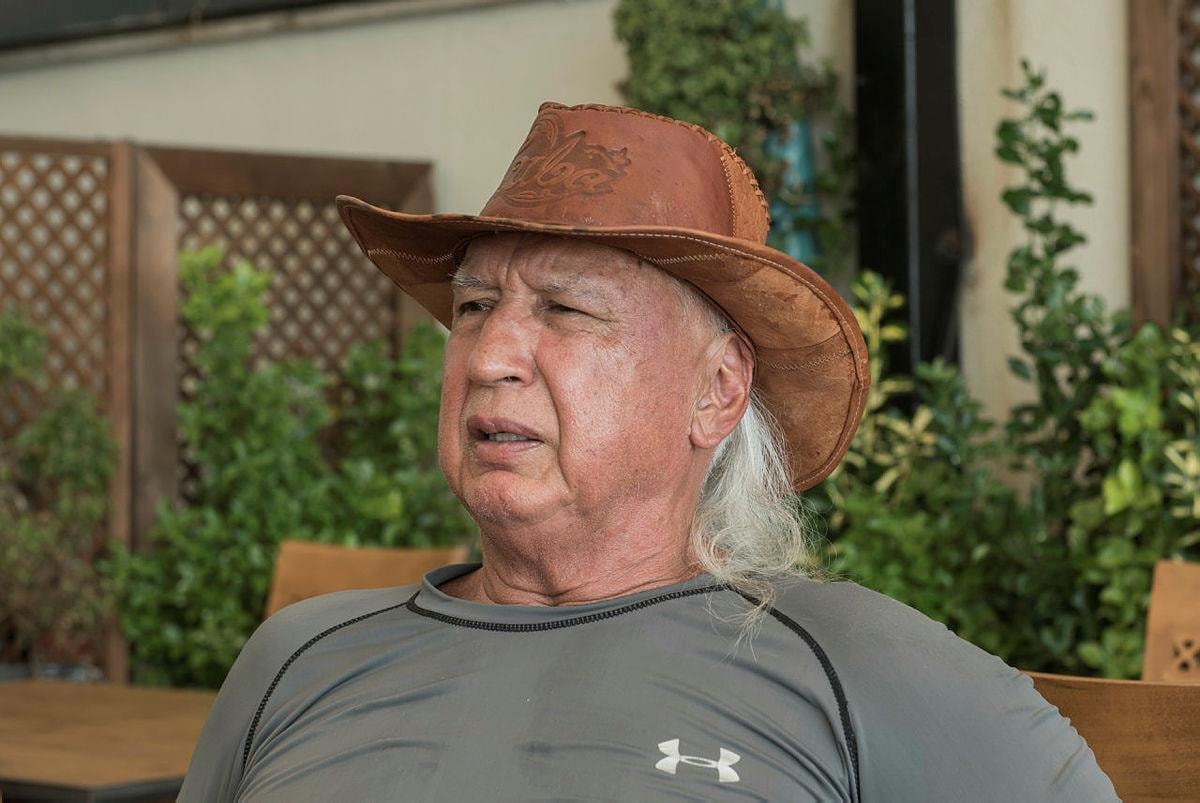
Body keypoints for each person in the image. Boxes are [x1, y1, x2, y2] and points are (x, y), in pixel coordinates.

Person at [179, 102, 1116, 801]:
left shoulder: (858, 668)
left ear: (717, 391)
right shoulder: (300, 656)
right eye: (473, 306)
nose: (490, 356)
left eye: (565, 308)